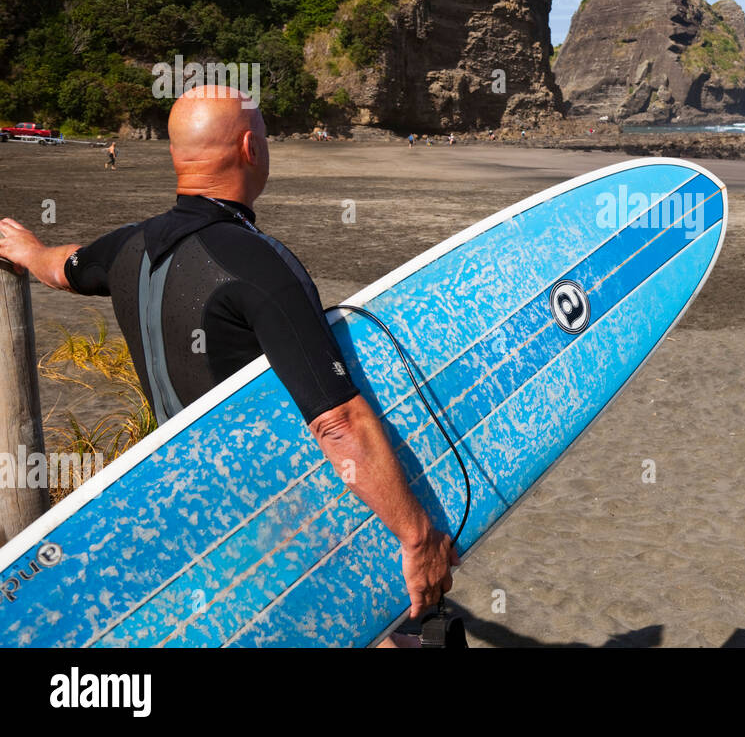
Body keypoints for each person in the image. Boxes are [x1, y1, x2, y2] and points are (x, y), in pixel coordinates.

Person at [0, 85, 457, 646]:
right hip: (278, 510)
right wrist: (416, 537)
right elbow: (336, 420)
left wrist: (26, 250)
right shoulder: (257, 263)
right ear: (250, 148)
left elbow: (64, 267)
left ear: (176, 156)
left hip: (193, 511)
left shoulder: (126, 247)